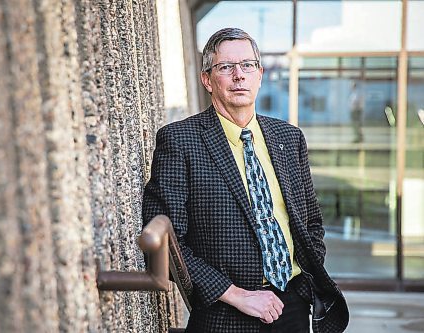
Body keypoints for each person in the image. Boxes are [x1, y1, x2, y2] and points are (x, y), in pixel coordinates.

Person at [142, 28, 349, 333]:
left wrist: (301, 285)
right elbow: (168, 246)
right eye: (226, 67)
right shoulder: (180, 140)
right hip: (224, 314)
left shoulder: (288, 138)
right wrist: (236, 295)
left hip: (291, 308)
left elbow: (311, 224)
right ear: (207, 80)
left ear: (260, 74)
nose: (239, 75)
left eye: (247, 65)